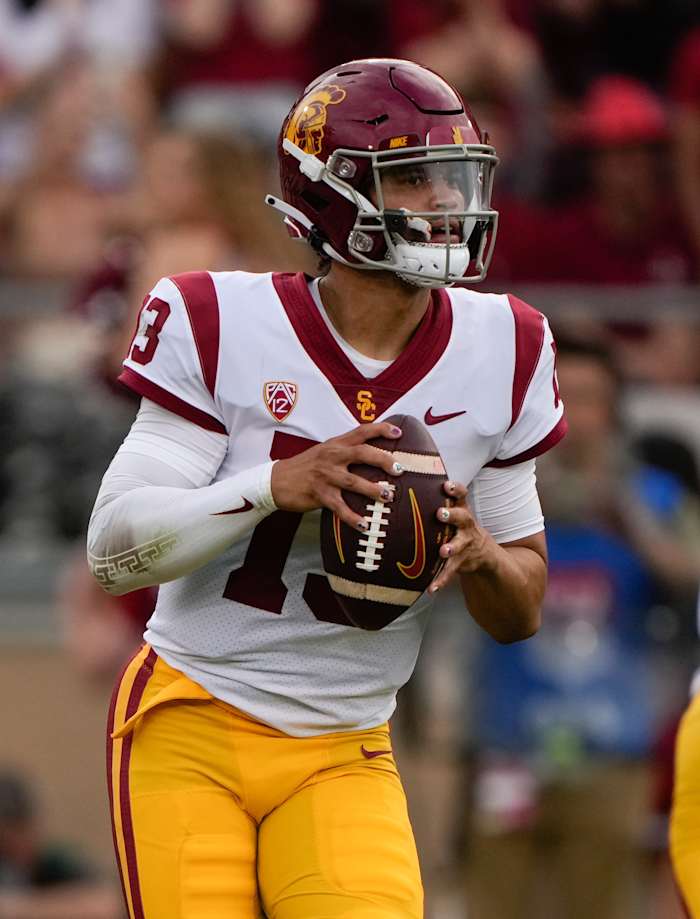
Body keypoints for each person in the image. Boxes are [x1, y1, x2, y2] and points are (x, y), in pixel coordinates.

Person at [87, 58, 566, 918]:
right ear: (333, 196)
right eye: (414, 179)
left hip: (346, 744)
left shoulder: (510, 344)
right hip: (193, 715)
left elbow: (521, 609)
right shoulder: (220, 318)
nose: (447, 204)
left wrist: (483, 553)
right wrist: (274, 486)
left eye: (454, 179)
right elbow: (115, 552)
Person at [0, 770, 121, 919]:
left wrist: (18, 908)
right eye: (8, 838)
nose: (17, 844)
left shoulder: (52, 860)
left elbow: (107, 903)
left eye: (21, 830)